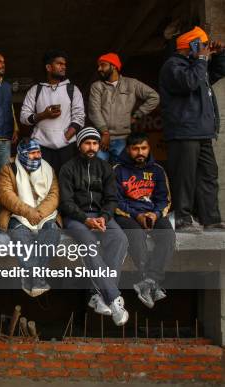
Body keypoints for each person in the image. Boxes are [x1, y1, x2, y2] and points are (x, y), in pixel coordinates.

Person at [59, 127, 129, 326]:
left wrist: (104, 218)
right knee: (88, 243)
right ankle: (114, 298)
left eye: (95, 143)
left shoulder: (105, 167)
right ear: (79, 145)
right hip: (76, 218)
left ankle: (98, 295)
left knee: (120, 238)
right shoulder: (68, 168)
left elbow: (111, 199)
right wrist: (85, 220)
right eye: (87, 143)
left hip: (101, 217)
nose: (92, 147)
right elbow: (66, 202)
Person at [159, 26, 225, 232]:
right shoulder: (173, 66)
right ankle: (182, 219)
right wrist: (202, 59)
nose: (206, 48)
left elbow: (217, 72)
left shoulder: (196, 66)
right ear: (192, 45)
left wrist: (220, 54)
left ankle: (210, 219)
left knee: (208, 175)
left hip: (203, 131)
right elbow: (189, 82)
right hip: (184, 131)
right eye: (202, 44)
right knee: (184, 176)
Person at [114, 132, 174, 308]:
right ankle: (144, 278)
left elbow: (165, 199)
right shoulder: (118, 170)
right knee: (136, 236)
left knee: (168, 236)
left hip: (152, 214)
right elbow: (115, 201)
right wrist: (136, 215)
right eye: (135, 148)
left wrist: (155, 214)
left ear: (148, 149)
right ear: (128, 149)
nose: (140, 152)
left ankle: (150, 281)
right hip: (127, 215)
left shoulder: (157, 170)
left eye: (144, 148)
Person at [0, 139, 60, 297]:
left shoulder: (47, 168)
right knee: (21, 236)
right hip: (17, 215)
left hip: (45, 215)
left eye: (38, 152)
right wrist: (28, 212)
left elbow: (54, 195)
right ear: (23, 154)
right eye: (32, 153)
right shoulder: (9, 168)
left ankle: (29, 278)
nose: (37, 156)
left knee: (52, 233)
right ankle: (37, 280)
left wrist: (38, 213)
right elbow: (6, 196)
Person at [20, 49, 85, 174]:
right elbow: (23, 117)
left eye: (64, 64)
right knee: (44, 184)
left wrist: (65, 138)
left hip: (67, 147)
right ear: (48, 67)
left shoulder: (72, 89)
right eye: (59, 64)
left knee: (66, 184)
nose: (63, 67)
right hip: (41, 146)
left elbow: (79, 117)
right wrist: (43, 115)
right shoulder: (36, 90)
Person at [89, 53, 160, 164]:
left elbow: (154, 97)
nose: (99, 69)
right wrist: (105, 132)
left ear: (114, 66)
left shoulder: (132, 84)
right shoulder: (97, 86)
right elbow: (94, 111)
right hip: (101, 139)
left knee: (122, 172)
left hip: (122, 139)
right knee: (99, 171)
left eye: (103, 65)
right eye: (99, 66)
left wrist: (138, 115)